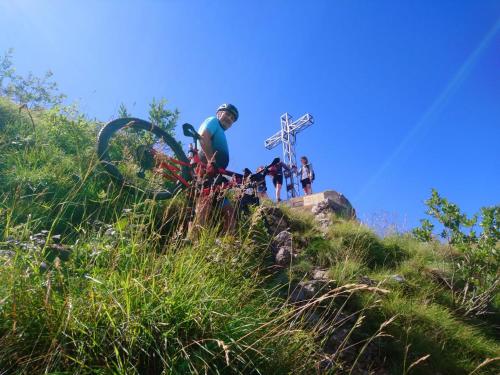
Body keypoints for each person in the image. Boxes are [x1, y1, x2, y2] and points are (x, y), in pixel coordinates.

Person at [191, 103, 239, 235]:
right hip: (207, 168)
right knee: (205, 200)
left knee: (229, 211)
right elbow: (203, 137)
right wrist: (211, 161)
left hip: (215, 174)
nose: (229, 119)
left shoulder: (221, 131)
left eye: (232, 119)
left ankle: (225, 245)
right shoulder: (213, 121)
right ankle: (195, 239)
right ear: (219, 113)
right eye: (227, 114)